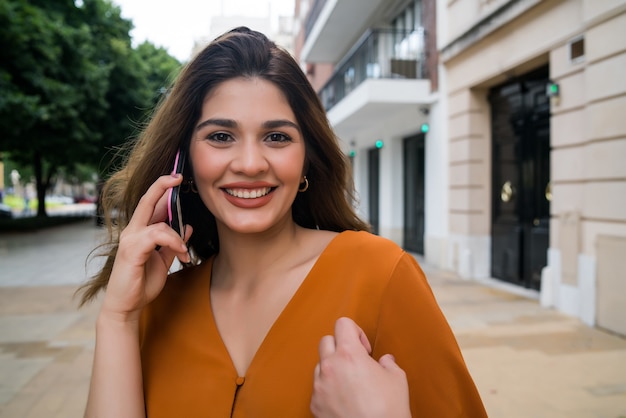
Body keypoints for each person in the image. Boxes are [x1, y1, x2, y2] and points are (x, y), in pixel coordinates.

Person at [77, 27, 487, 417]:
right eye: (221, 136)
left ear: (306, 157)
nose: (251, 164)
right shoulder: (156, 303)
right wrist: (117, 319)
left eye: (277, 137)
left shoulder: (381, 274)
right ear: (183, 160)